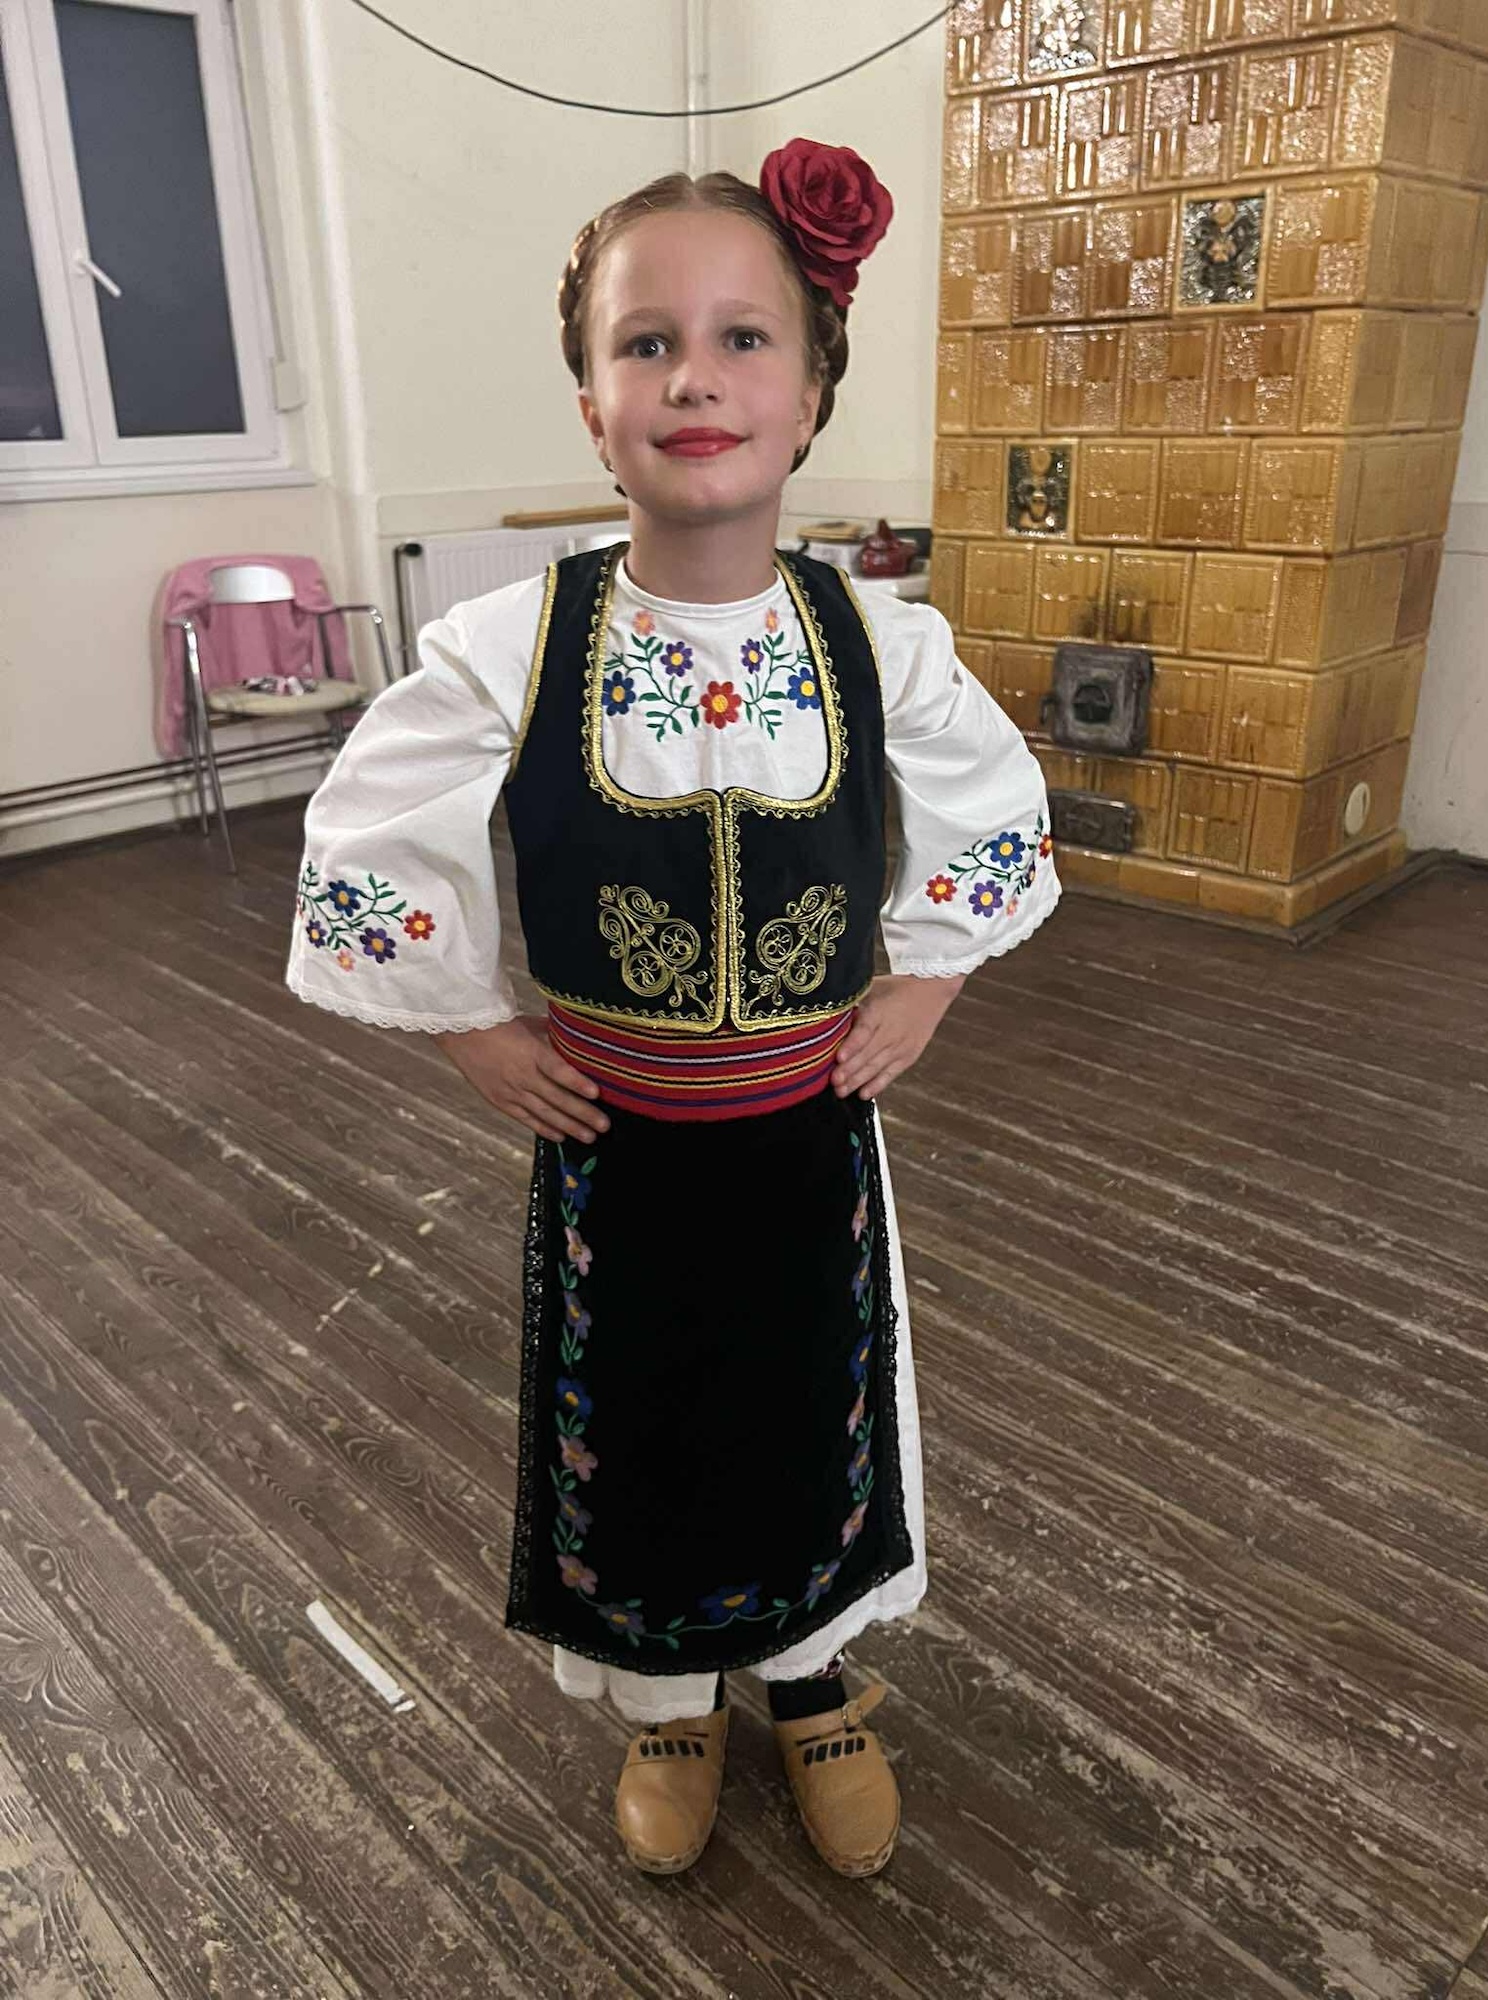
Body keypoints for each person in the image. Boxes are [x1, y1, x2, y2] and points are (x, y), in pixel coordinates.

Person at [285, 137, 1059, 1880]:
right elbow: (370, 834)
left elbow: (993, 806)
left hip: (810, 1135)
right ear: (592, 406)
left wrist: (930, 974)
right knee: (635, 1429)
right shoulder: (511, 645)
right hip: (615, 1149)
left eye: (741, 339)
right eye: (648, 344)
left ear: (811, 396)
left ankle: (814, 1677)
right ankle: (666, 1699)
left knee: (813, 1409)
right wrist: (470, 1023)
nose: (693, 378)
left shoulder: (882, 644)